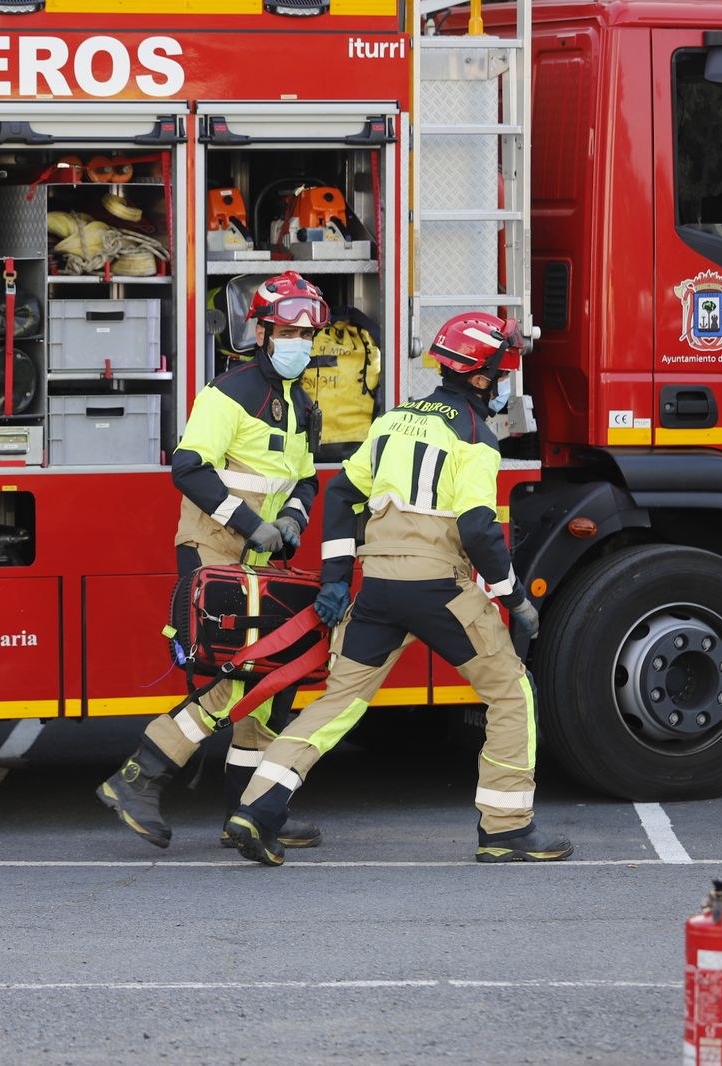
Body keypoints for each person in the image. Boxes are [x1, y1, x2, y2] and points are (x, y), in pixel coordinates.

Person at [224, 312, 575, 866]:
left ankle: (256, 808)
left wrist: (337, 579)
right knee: (512, 693)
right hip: (438, 589)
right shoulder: (476, 437)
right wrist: (515, 599)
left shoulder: (394, 420)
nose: (506, 385)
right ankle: (507, 829)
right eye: (504, 374)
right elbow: (478, 529)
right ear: (481, 378)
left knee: (338, 703)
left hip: (379, 589)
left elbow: (341, 494)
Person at [96, 270, 328, 850]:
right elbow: (189, 468)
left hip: (262, 560)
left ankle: (247, 812)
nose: (300, 344)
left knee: (269, 682)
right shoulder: (228, 393)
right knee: (234, 678)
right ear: (262, 333)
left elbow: (305, 478)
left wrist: (293, 518)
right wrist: (252, 524)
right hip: (214, 551)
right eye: (288, 333)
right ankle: (138, 778)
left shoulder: (302, 404)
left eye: (308, 335)